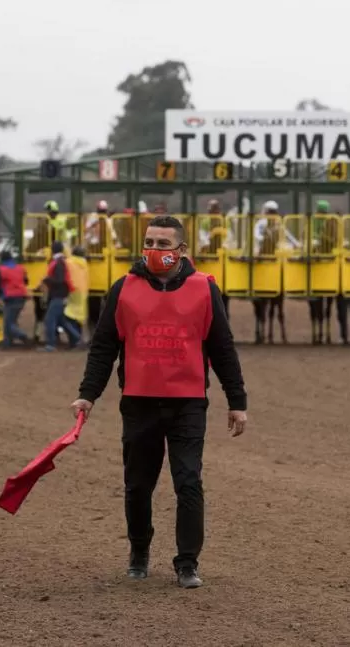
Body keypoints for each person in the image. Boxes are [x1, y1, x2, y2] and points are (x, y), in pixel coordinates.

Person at [70, 214, 248, 589]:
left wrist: (237, 400)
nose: (154, 250)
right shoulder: (123, 289)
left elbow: (222, 348)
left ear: (182, 250)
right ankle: (139, 551)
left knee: (188, 483)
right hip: (139, 402)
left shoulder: (204, 289)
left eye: (163, 244)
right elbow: (104, 348)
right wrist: (88, 394)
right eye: (149, 243)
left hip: (187, 404)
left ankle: (187, 563)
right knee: (137, 485)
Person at [39, 241, 81, 351]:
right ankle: (77, 340)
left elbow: (60, 280)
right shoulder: (61, 261)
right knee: (62, 321)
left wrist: (46, 280)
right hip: (62, 294)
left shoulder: (58, 263)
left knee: (50, 320)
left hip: (58, 295)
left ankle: (51, 345)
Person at [0, 249, 30, 348]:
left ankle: (23, 336)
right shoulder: (20, 268)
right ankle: (7, 343)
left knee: (8, 323)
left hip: (10, 297)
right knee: (10, 321)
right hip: (22, 296)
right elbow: (26, 281)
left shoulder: (2, 270)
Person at [64, 245, 90, 344]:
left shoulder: (69, 262)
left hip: (73, 290)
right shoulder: (84, 263)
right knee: (78, 317)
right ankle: (76, 340)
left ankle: (75, 340)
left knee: (68, 316)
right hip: (83, 291)